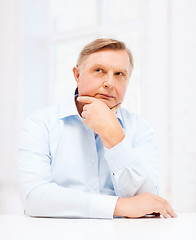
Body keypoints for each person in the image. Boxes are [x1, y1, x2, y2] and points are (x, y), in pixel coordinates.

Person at [18, 38, 177, 219]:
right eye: (99, 70)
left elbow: (149, 201)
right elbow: (34, 197)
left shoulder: (140, 129)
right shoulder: (40, 125)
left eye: (119, 74)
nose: (109, 83)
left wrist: (113, 135)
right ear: (77, 75)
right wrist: (119, 206)